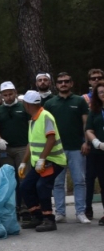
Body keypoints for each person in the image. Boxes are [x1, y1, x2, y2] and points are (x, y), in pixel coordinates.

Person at [43, 72, 90, 224]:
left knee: (79, 181)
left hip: (77, 147)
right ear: (56, 85)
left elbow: (86, 123)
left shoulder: (79, 101)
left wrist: (86, 142)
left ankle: (80, 212)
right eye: (60, 82)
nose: (63, 84)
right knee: (57, 182)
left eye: (66, 81)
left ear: (71, 83)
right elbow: (46, 127)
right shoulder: (50, 103)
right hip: (57, 150)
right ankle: (60, 213)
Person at [20, 90, 66, 232]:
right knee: (26, 186)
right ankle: (37, 216)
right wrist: (24, 162)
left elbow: (51, 139)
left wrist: (42, 159)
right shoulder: (33, 120)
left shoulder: (45, 116)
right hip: (40, 163)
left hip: (53, 160)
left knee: (42, 186)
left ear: (27, 104)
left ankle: (48, 219)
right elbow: (31, 144)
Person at [0, 81, 30, 220]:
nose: (8, 97)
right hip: (5, 149)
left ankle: (27, 208)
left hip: (22, 147)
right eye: (5, 95)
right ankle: (12, 208)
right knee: (8, 180)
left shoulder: (23, 107)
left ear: (15, 92)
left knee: (23, 178)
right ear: (2, 95)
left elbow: (30, 125)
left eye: (10, 94)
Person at [84, 69, 103, 220]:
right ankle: (88, 207)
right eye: (100, 92)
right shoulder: (94, 111)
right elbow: (88, 129)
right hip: (97, 152)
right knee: (91, 180)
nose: (103, 94)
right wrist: (95, 142)